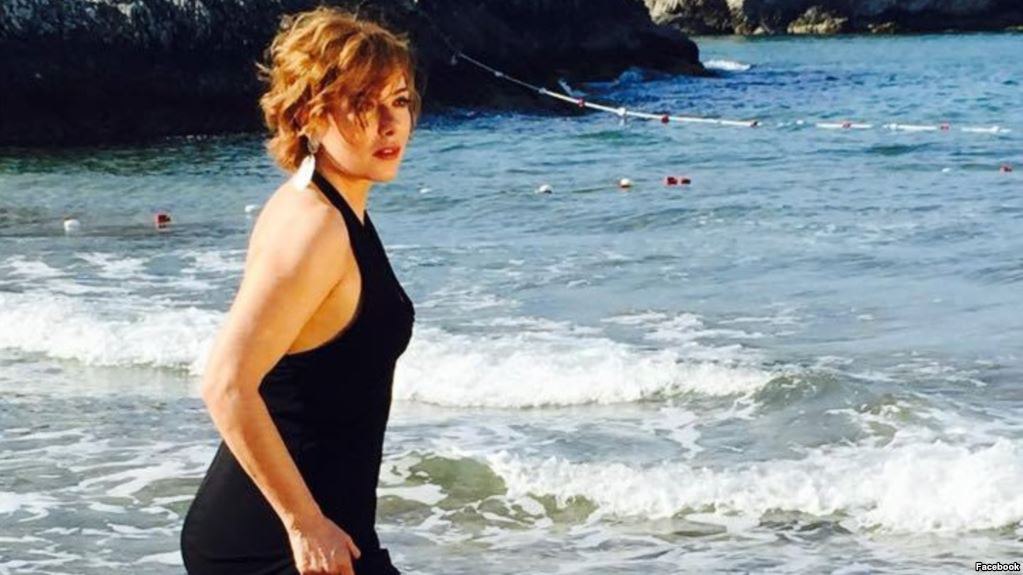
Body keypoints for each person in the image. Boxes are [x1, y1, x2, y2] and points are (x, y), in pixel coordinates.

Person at [180, 6, 421, 574]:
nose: (390, 123)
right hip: (275, 543)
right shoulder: (314, 225)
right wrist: (304, 523)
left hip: (325, 533)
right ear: (310, 113)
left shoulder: (335, 206)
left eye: (399, 100)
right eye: (363, 103)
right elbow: (226, 383)